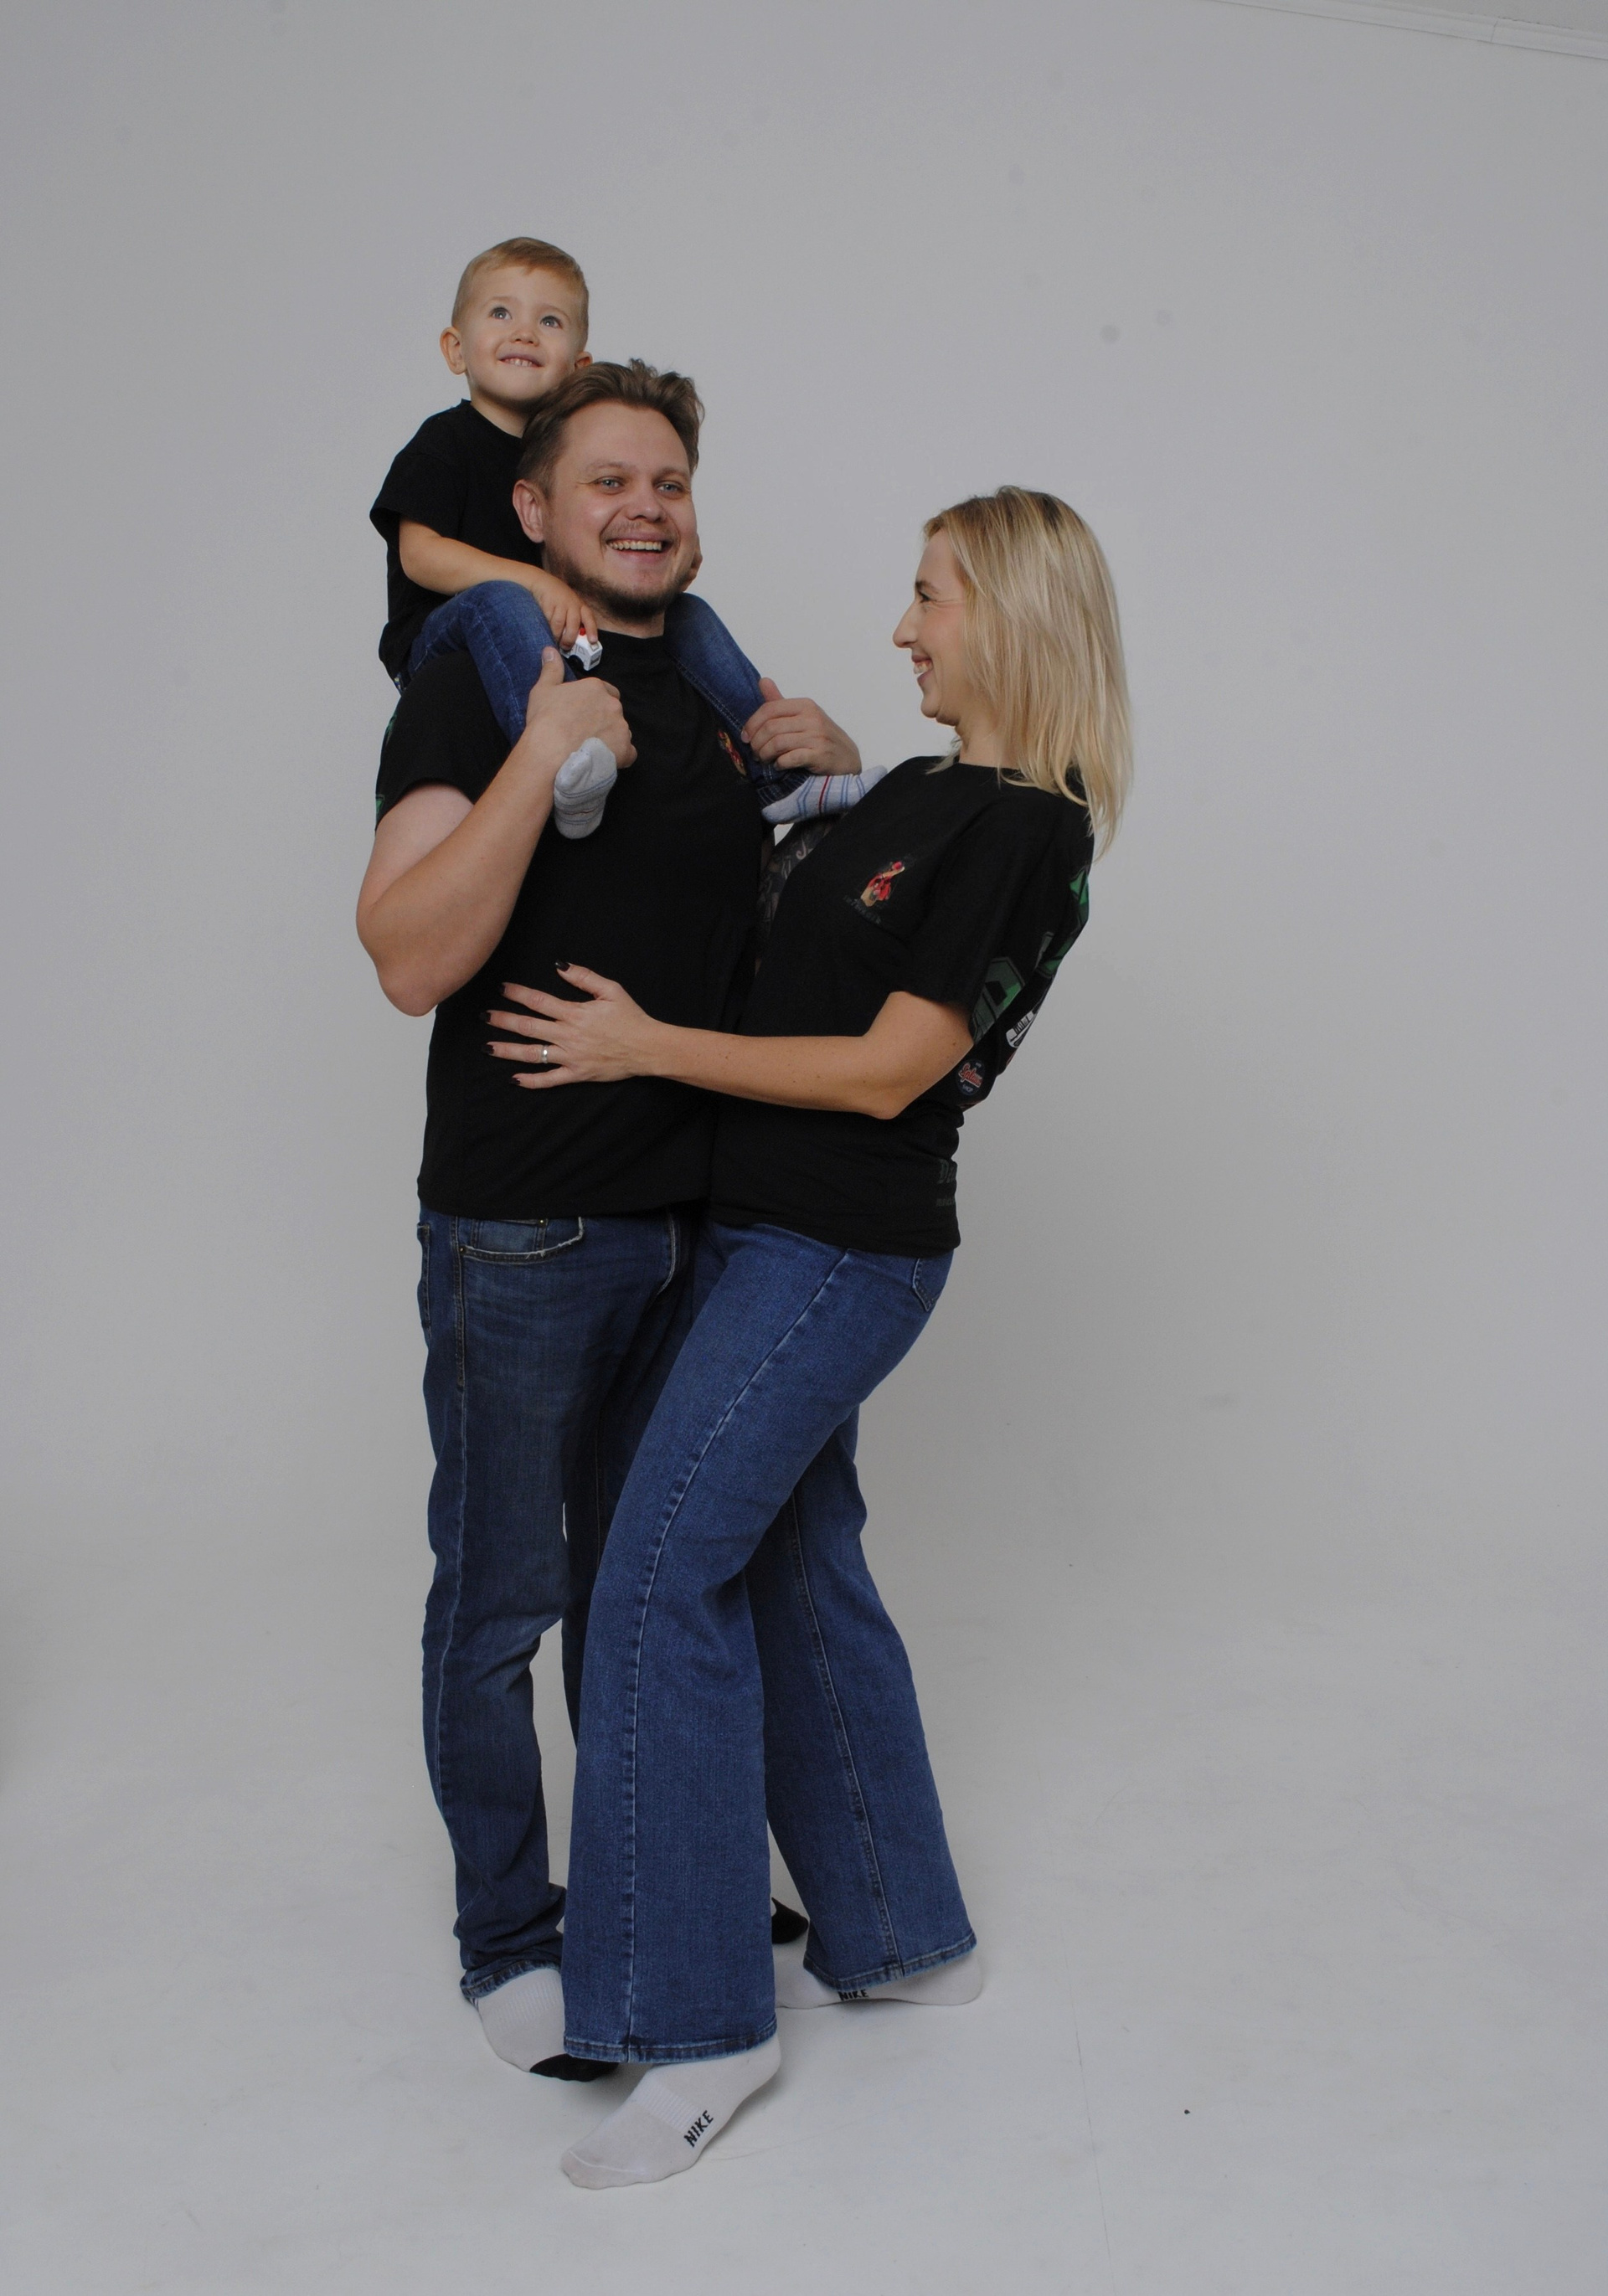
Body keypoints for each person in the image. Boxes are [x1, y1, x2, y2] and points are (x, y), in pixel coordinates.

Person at [482, 486, 1133, 2185]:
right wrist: (820, 771)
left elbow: (890, 1068)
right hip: (756, 1232)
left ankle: (698, 2024)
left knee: (651, 1576)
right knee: (789, 1564)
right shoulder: (918, 789)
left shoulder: (1031, 830)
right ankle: (905, 1937)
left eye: (931, 597)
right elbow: (788, 911)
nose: (904, 627)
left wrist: (644, 1046)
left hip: (841, 1252)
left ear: (1011, 613)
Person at [356, 358, 858, 2081]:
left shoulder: (716, 693)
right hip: (527, 1232)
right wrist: (537, 761)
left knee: (655, 1588)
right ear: (534, 510)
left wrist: (834, 766)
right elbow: (406, 953)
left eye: (669, 482)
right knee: (505, 1599)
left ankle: (658, 1882)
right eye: (607, 482)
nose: (645, 508)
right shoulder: (479, 676)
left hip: (705, 1228)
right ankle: (508, 1930)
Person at [372, 236, 879, 836]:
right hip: (443, 634)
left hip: (543, 632)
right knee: (500, 599)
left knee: (689, 614)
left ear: (578, 365)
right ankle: (567, 762)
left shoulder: (563, 449)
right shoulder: (443, 442)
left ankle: (781, 776)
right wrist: (532, 581)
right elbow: (419, 555)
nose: (525, 333)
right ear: (455, 349)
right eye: (501, 312)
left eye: (550, 321)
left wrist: (668, 553)